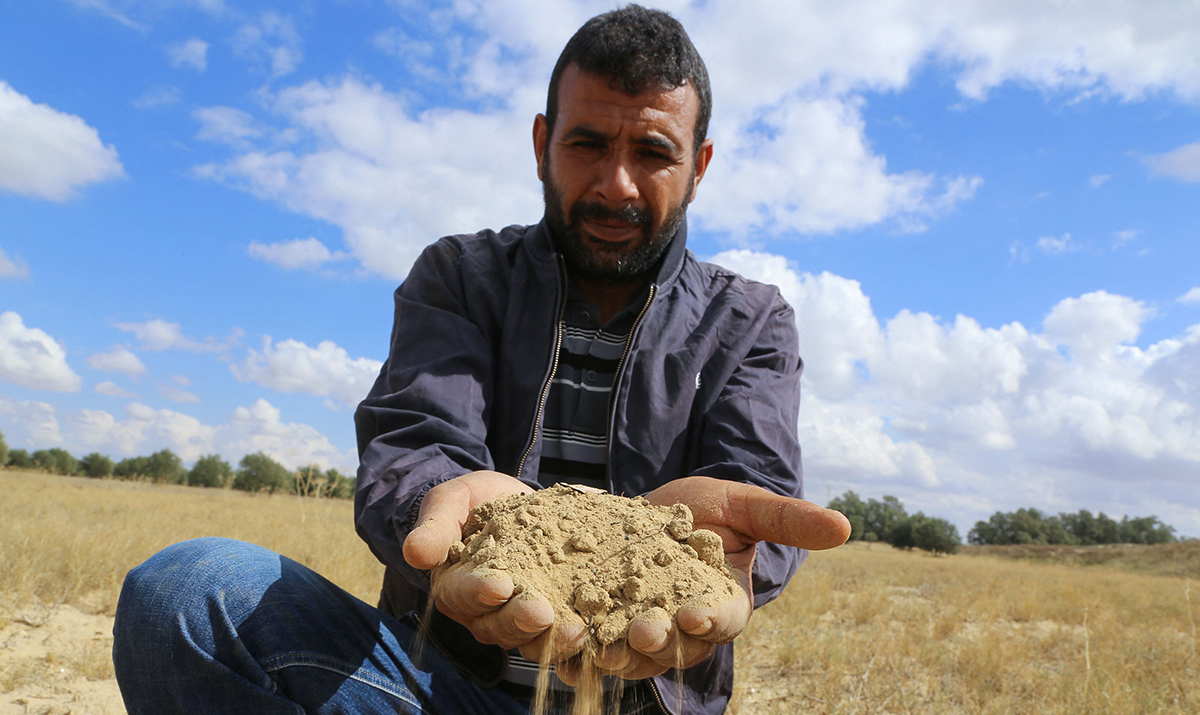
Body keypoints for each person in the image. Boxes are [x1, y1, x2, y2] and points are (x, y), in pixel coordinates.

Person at [112, 6, 849, 715]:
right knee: (187, 590)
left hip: (644, 704)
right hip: (437, 687)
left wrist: (711, 551)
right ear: (541, 142)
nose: (616, 183)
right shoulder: (460, 277)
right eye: (587, 142)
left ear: (699, 166)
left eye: (654, 152)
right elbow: (418, 441)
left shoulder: (749, 319)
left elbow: (751, 491)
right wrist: (455, 514)